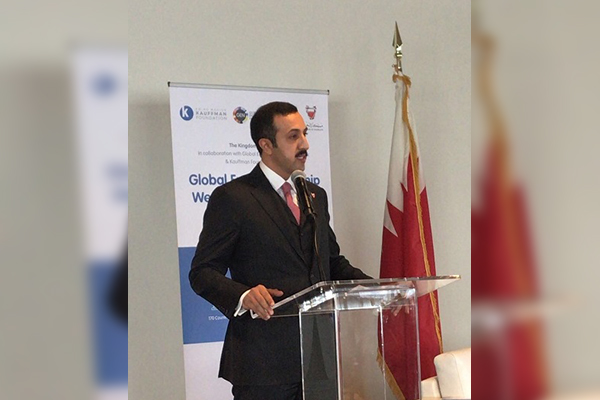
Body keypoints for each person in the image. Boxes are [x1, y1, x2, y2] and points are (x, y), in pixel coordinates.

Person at [189, 101, 370, 400]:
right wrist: (244, 295)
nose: (305, 144)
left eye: (305, 134)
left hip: (320, 358)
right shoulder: (234, 198)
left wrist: (378, 287)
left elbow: (331, 262)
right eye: (293, 136)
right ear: (266, 145)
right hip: (263, 362)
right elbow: (202, 272)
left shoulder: (314, 195)